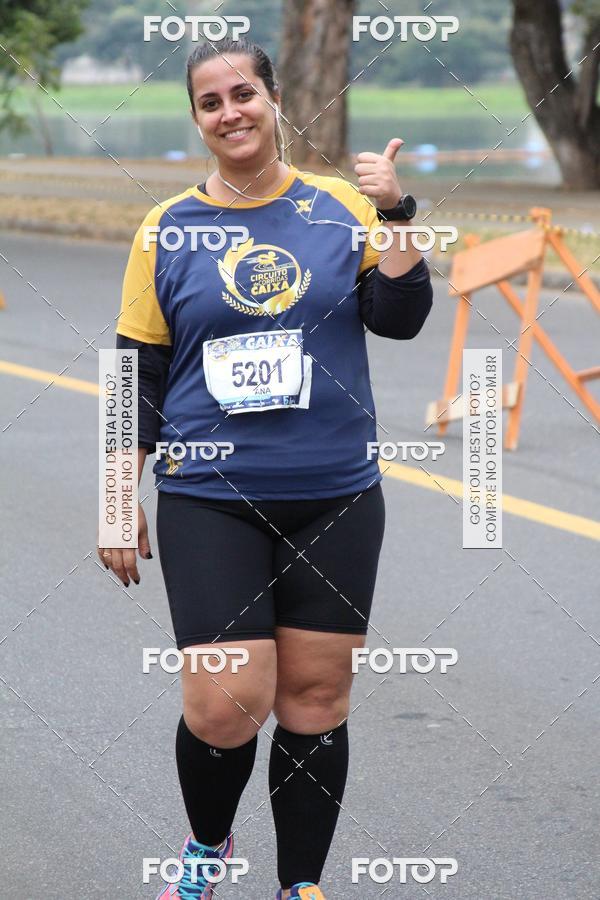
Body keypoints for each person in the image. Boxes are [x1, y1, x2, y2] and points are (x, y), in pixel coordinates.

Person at [98, 37, 433, 900]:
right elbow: (137, 369)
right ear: (198, 120)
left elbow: (399, 317)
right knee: (224, 705)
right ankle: (208, 848)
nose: (230, 113)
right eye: (210, 103)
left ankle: (301, 885)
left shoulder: (336, 208)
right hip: (213, 496)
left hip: (337, 494)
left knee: (316, 698)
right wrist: (115, 495)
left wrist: (396, 214)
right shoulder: (166, 226)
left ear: (274, 99)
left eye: (242, 93)